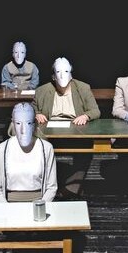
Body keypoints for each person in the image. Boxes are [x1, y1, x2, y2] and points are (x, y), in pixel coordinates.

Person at [0, 103, 58, 253]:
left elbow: (51, 186)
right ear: (12, 122)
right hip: (12, 205)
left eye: (27, 123)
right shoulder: (1, 150)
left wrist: (41, 206)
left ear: (34, 124)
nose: (22, 129)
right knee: (19, 249)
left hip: (38, 205)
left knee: (35, 250)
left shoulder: (45, 148)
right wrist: (7, 211)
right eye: (18, 123)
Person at [32, 57, 101, 197]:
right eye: (58, 72)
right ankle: (45, 185)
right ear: (53, 76)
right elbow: (32, 109)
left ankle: (73, 187)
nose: (62, 75)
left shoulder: (83, 88)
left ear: (71, 74)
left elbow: (95, 110)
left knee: (86, 146)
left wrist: (86, 116)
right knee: (39, 147)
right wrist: (37, 114)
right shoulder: (42, 91)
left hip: (75, 129)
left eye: (66, 71)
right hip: (50, 131)